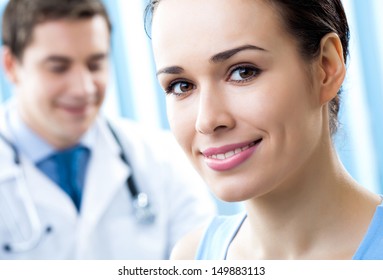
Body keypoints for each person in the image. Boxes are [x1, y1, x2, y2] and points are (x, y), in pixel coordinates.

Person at [146, 0, 383, 259]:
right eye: (181, 86)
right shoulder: (190, 258)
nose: (207, 120)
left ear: (326, 67)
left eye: (242, 72)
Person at [0, 0, 216, 259]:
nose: (83, 88)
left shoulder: (163, 160)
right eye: (58, 68)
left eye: (95, 64)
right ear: (12, 66)